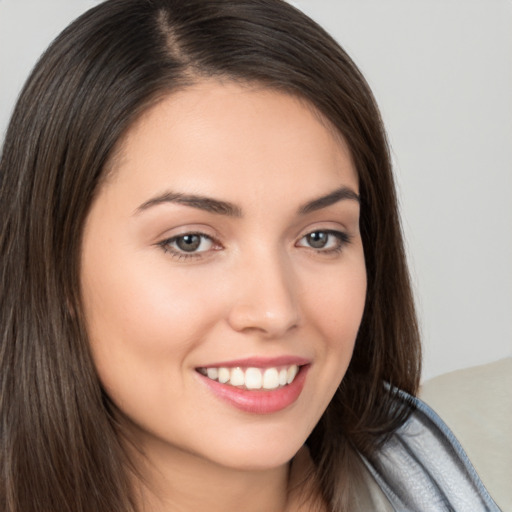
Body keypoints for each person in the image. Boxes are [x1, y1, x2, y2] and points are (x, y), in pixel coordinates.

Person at [0, 1, 501, 511]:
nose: (275, 311)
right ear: (56, 266)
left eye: (320, 237)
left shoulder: (488, 463)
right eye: (189, 241)